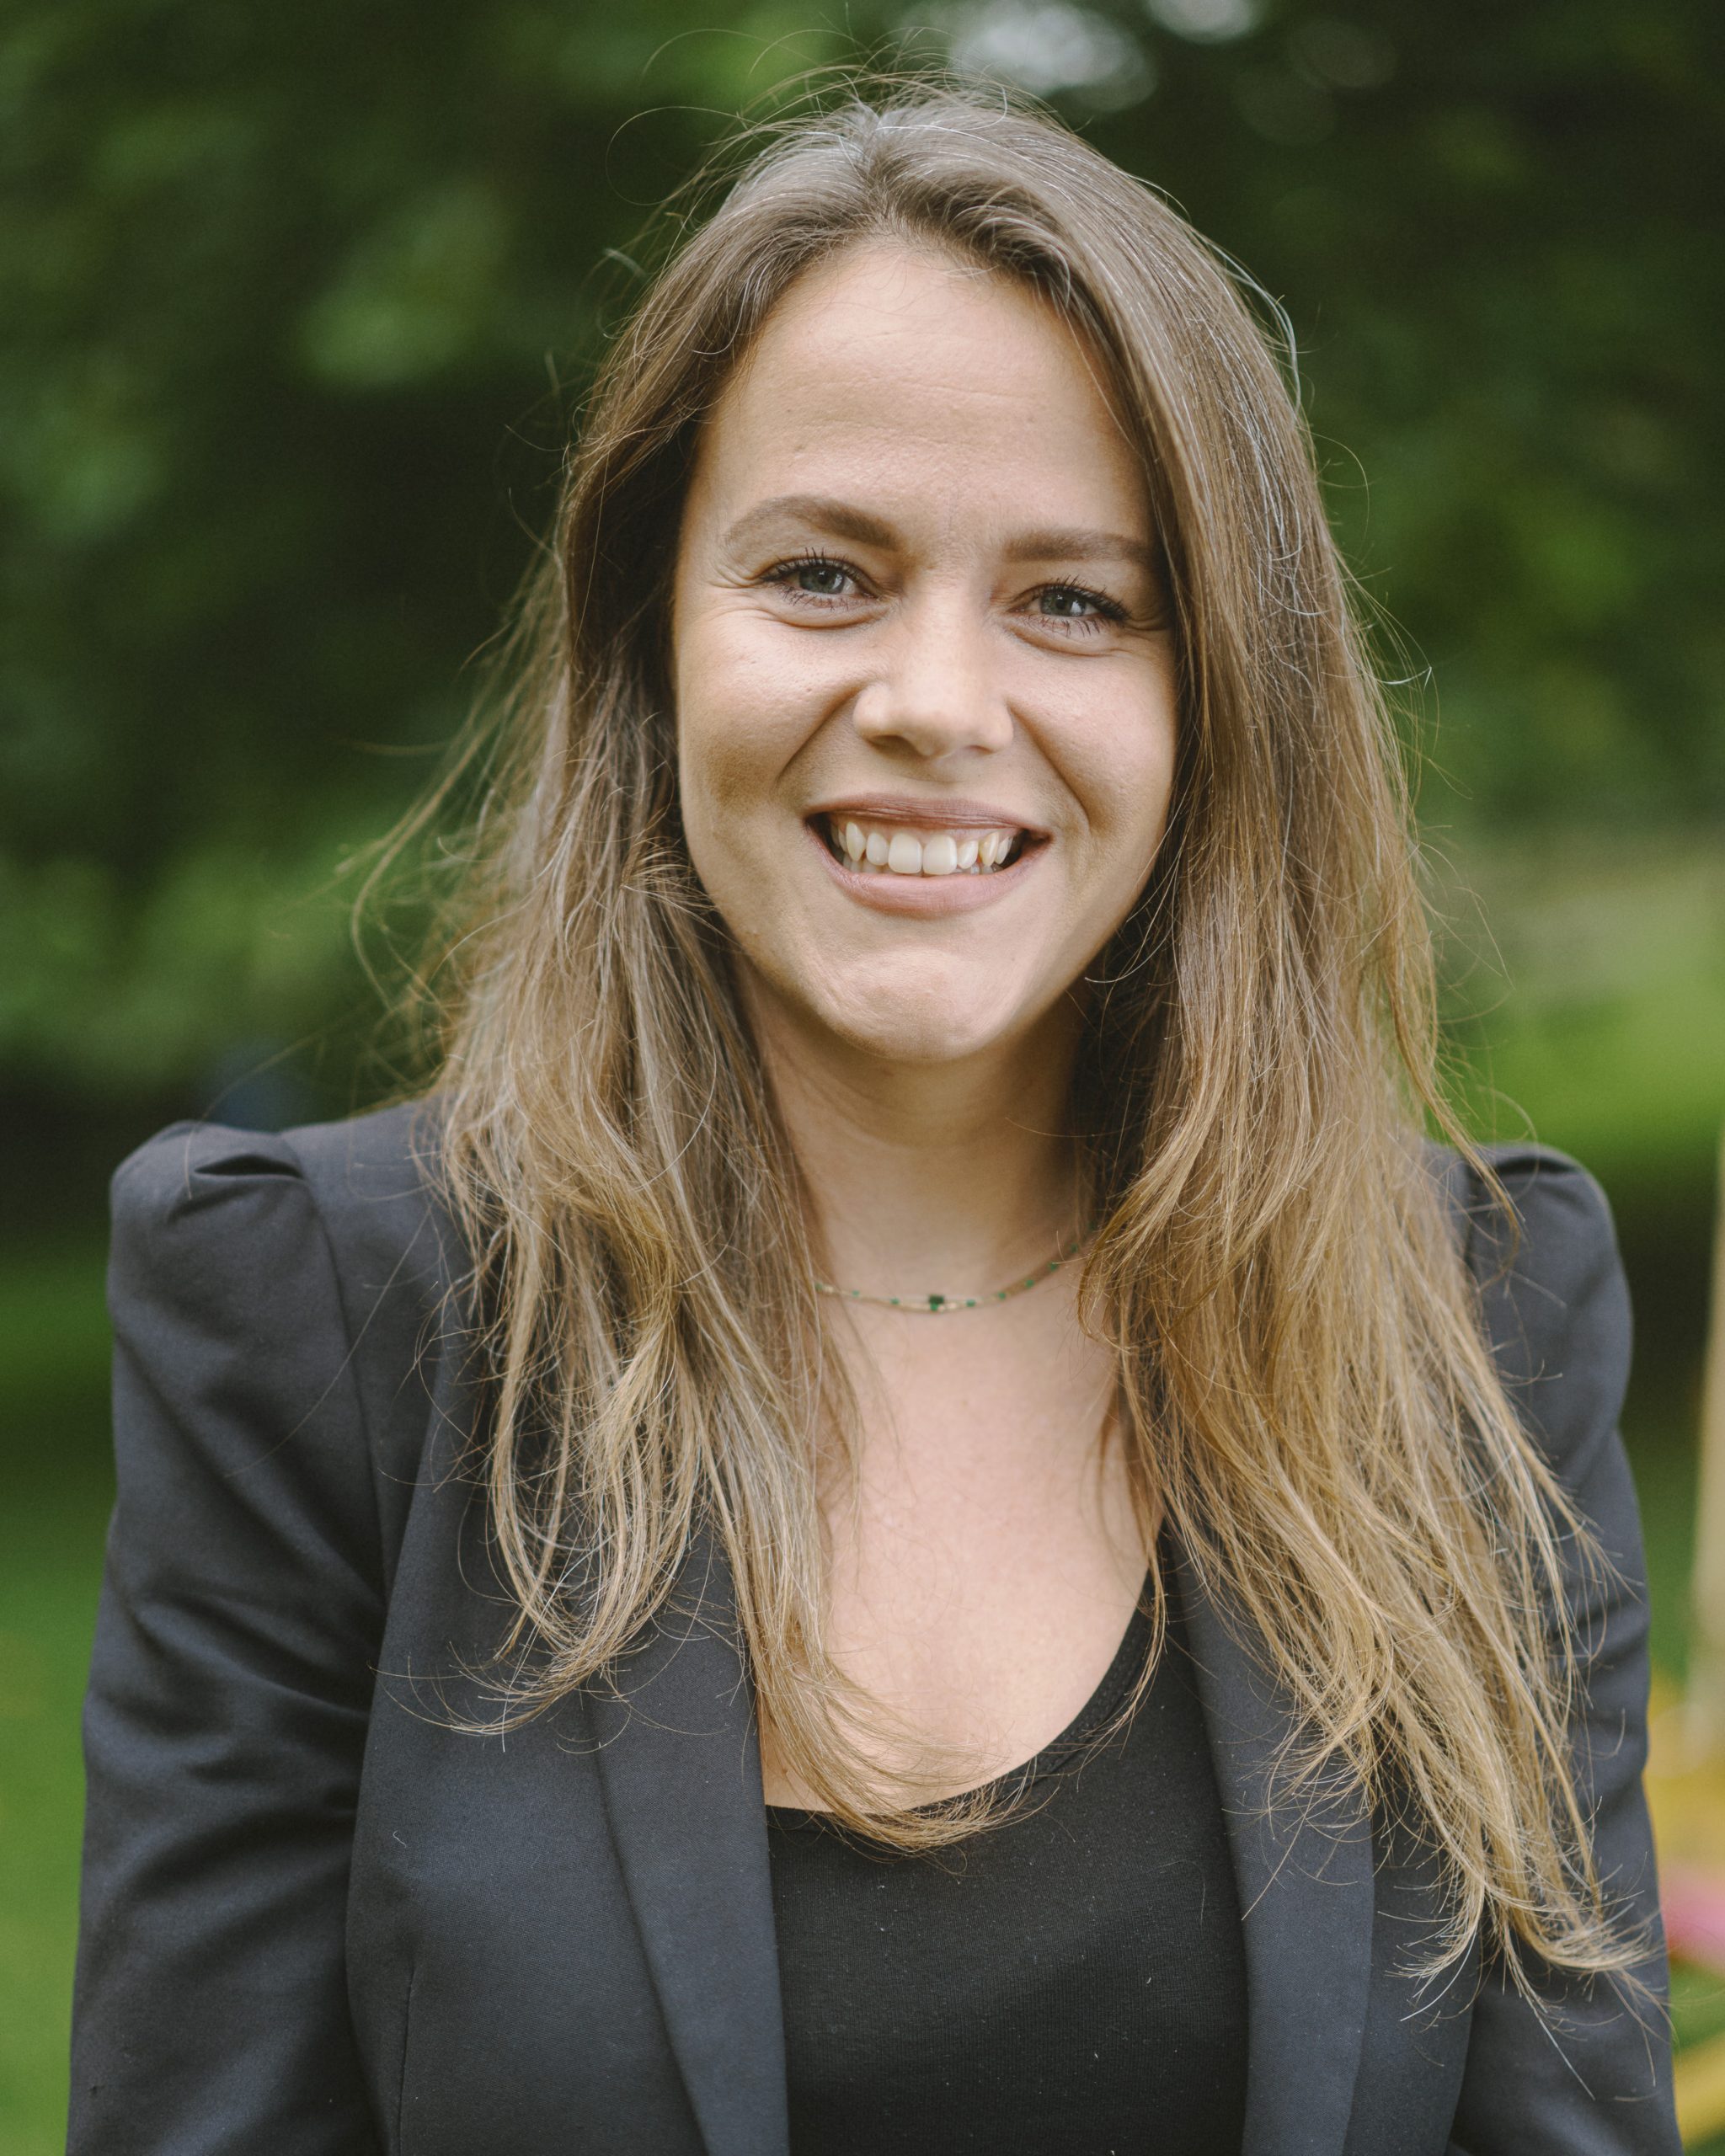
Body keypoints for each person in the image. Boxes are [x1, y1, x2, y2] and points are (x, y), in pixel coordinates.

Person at [69, 84, 1679, 2155]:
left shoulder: (1475, 1317)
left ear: (1222, 702)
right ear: (651, 637)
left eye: (1076, 600)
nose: (935, 697)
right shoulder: (317, 1313)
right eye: (824, 572)